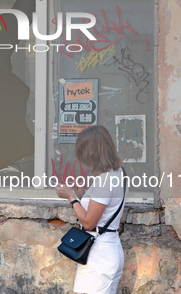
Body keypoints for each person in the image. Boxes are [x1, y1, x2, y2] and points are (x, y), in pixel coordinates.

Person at [55, 125, 127, 294]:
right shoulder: (118, 173)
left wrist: (70, 197)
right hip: (110, 245)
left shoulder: (105, 180)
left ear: (90, 154)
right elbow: (104, 208)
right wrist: (82, 195)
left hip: (99, 254)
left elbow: (88, 223)